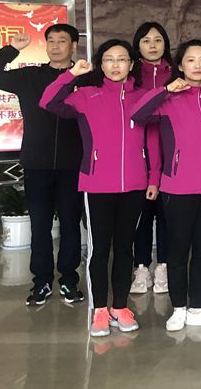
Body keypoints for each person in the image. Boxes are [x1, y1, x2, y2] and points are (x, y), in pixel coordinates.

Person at [40, 40, 154, 338]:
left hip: (134, 184)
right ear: (100, 65)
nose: (115, 65)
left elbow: (155, 137)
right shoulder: (86, 95)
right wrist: (71, 75)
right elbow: (48, 102)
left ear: (131, 64)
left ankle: (120, 306)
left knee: (125, 249)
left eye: (121, 59)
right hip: (97, 183)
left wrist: (153, 177)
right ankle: (100, 309)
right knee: (99, 249)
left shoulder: (143, 97)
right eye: (109, 59)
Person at [132, 40, 201, 331]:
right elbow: (138, 114)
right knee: (178, 250)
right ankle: (179, 307)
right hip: (177, 187)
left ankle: (198, 307)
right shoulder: (169, 99)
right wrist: (165, 90)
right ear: (180, 66)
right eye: (190, 60)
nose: (197, 65)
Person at [0, 24, 84, 306]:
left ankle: (69, 280)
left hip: (74, 163)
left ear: (74, 46)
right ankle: (42, 282)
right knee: (40, 224)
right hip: (37, 162)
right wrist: (11, 50)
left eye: (62, 41)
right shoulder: (30, 76)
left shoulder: (84, 77)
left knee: (71, 224)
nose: (56, 46)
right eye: (51, 41)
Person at [130, 21, 172, 296]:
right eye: (146, 40)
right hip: (138, 155)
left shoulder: (177, 73)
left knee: (167, 217)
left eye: (157, 40)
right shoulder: (130, 75)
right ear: (138, 46)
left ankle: (164, 268)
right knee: (141, 216)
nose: (153, 45)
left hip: (171, 155)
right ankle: (141, 267)